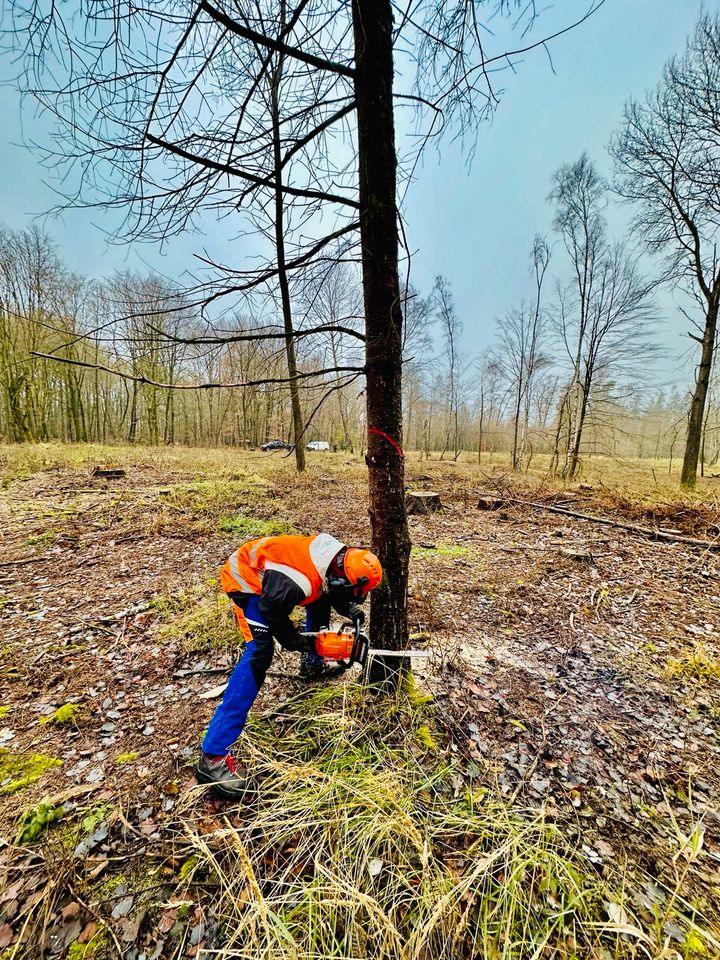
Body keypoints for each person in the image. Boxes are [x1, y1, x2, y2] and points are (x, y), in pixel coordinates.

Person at [196, 533, 382, 799]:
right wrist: (294, 640)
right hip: (247, 581)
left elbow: (330, 585)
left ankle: (312, 665)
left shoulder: (336, 557)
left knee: (319, 600)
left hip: (278, 578)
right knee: (260, 653)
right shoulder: (296, 582)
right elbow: (271, 610)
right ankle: (212, 756)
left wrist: (348, 608)